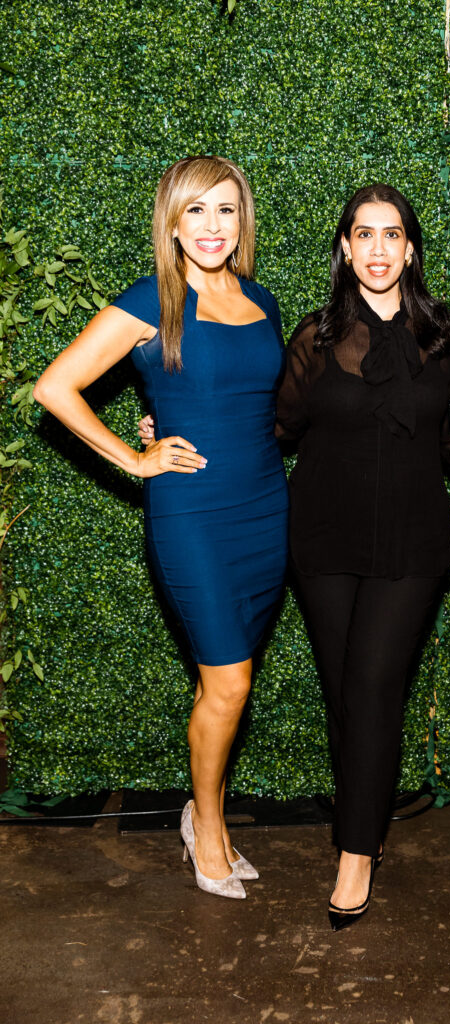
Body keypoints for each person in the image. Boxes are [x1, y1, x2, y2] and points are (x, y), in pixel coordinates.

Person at [33, 155, 289, 900]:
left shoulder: (261, 301)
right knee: (229, 681)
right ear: (171, 223)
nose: (211, 227)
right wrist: (135, 457)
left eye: (226, 210)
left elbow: (253, 401)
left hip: (267, 508)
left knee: (233, 681)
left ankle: (202, 812)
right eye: (194, 211)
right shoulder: (154, 299)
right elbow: (56, 386)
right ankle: (205, 823)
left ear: (242, 220)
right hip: (194, 514)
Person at [275, 184, 450, 930]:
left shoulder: (444, 337)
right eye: (364, 235)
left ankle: (356, 850)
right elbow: (275, 428)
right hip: (321, 541)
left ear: (410, 249)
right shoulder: (315, 338)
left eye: (392, 235)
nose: (379, 249)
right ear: (345, 248)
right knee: (344, 694)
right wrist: (172, 420)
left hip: (413, 545)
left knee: (376, 687)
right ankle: (362, 826)